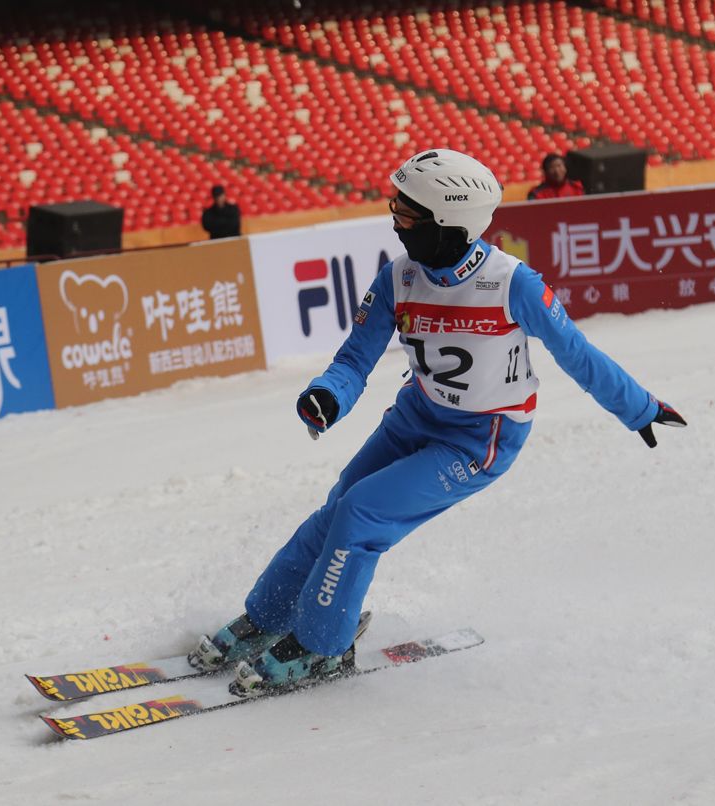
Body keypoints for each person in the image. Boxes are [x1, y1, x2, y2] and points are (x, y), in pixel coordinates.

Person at [189, 148, 686, 695]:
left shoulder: (510, 283)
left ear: (447, 224)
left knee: (360, 516)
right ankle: (269, 616)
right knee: (337, 509)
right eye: (396, 207)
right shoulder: (399, 276)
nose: (395, 221)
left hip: (479, 440)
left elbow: (577, 353)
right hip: (416, 416)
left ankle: (322, 646)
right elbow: (355, 358)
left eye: (407, 213)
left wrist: (638, 407)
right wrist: (327, 397)